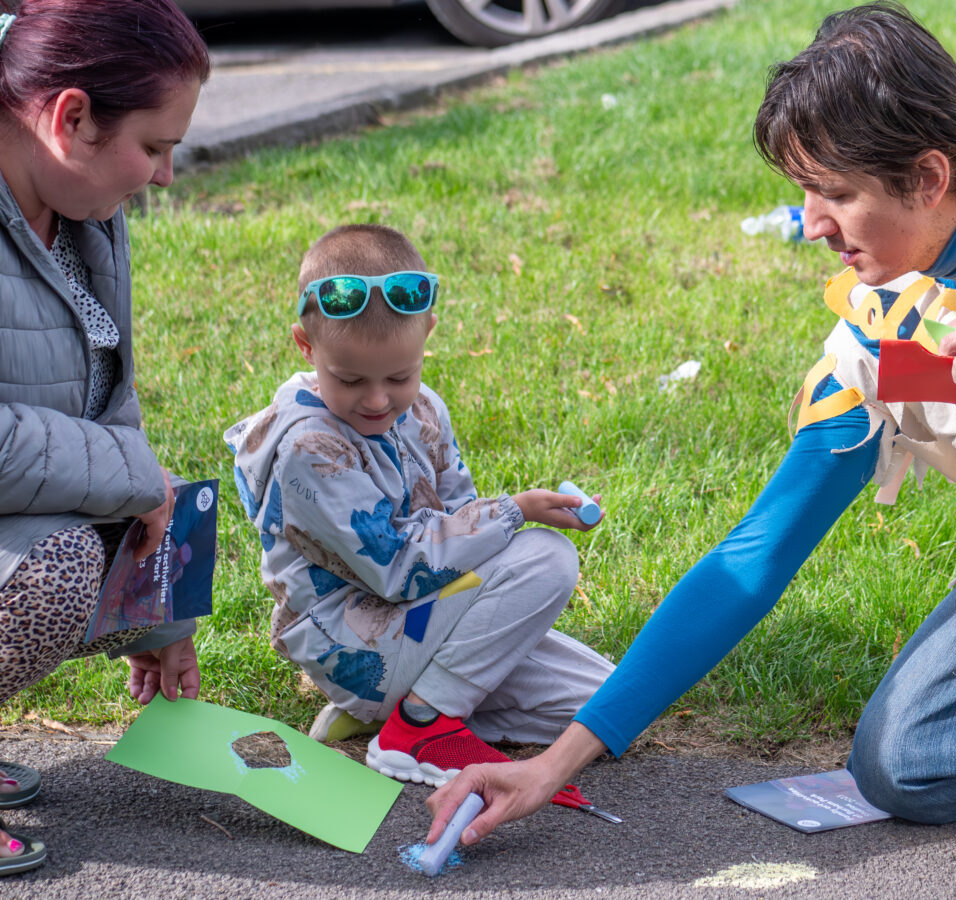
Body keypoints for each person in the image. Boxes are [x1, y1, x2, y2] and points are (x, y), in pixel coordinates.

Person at [427, 3, 956, 893]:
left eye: (834, 193)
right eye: (805, 193)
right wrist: (552, 765)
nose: (812, 223)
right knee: (907, 761)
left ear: (928, 174)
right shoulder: (879, 333)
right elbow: (755, 557)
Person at [224, 223, 615, 787]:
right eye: (350, 379)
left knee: (605, 707)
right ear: (306, 347)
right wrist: (514, 513)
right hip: (356, 642)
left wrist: (499, 529)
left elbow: (456, 515)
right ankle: (418, 726)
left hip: (422, 623)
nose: (378, 399)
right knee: (548, 558)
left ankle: (401, 710)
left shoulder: (424, 408)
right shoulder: (309, 449)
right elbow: (397, 570)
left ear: (428, 331)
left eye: (400, 375)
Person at [0, 0, 210, 877]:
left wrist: (157, 605)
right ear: (71, 118)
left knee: (152, 529)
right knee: (53, 571)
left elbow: (104, 399)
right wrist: (135, 476)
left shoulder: (80, 204)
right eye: (154, 148)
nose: (163, 176)